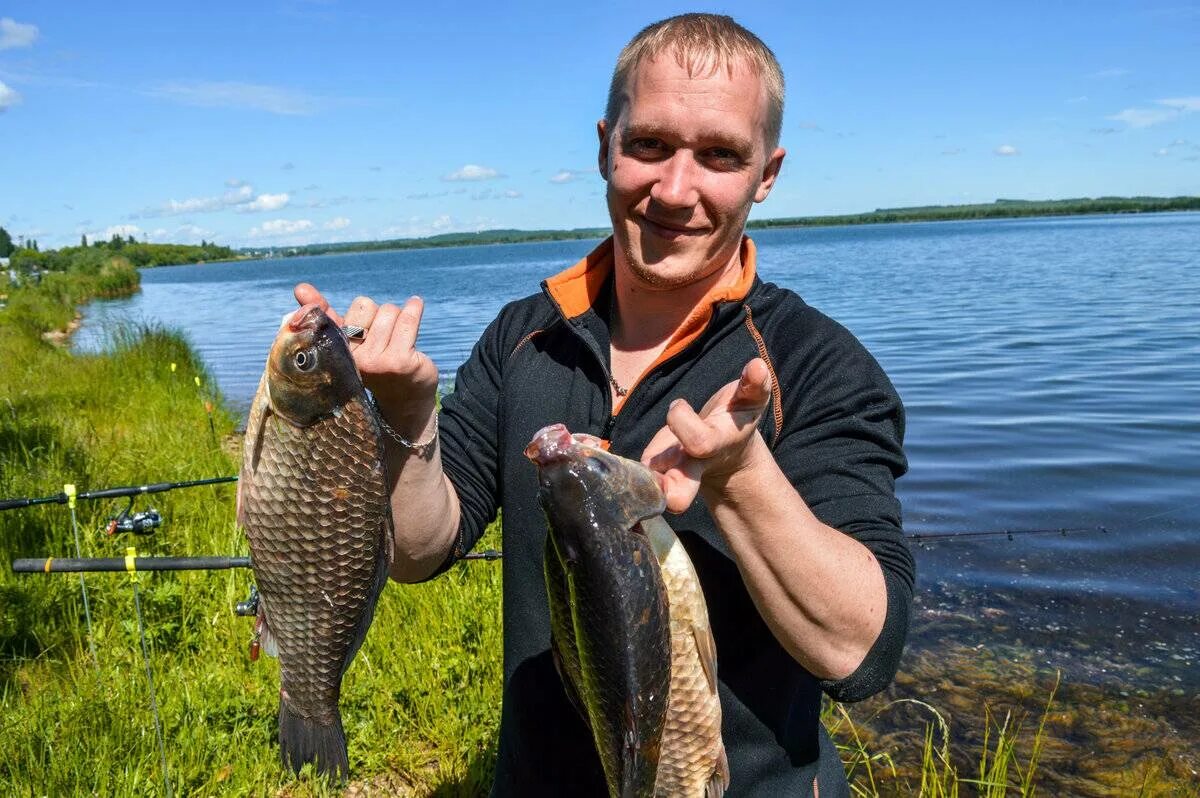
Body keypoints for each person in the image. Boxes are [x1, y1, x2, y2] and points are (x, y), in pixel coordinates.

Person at [296, 13, 912, 796]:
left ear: (767, 174)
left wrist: (742, 479)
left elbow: (861, 654)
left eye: (719, 154)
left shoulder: (816, 365)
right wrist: (407, 420)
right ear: (604, 147)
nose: (675, 189)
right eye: (649, 144)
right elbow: (422, 551)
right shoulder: (524, 338)